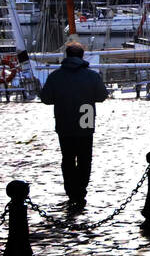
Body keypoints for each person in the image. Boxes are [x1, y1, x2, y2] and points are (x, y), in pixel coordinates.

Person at [38, 41, 108, 206]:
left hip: (64, 121)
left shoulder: (56, 76)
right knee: (85, 158)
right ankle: (81, 188)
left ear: (67, 56)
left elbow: (46, 99)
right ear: (82, 57)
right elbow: (102, 96)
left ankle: (70, 190)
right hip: (86, 119)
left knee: (68, 158)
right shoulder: (92, 75)